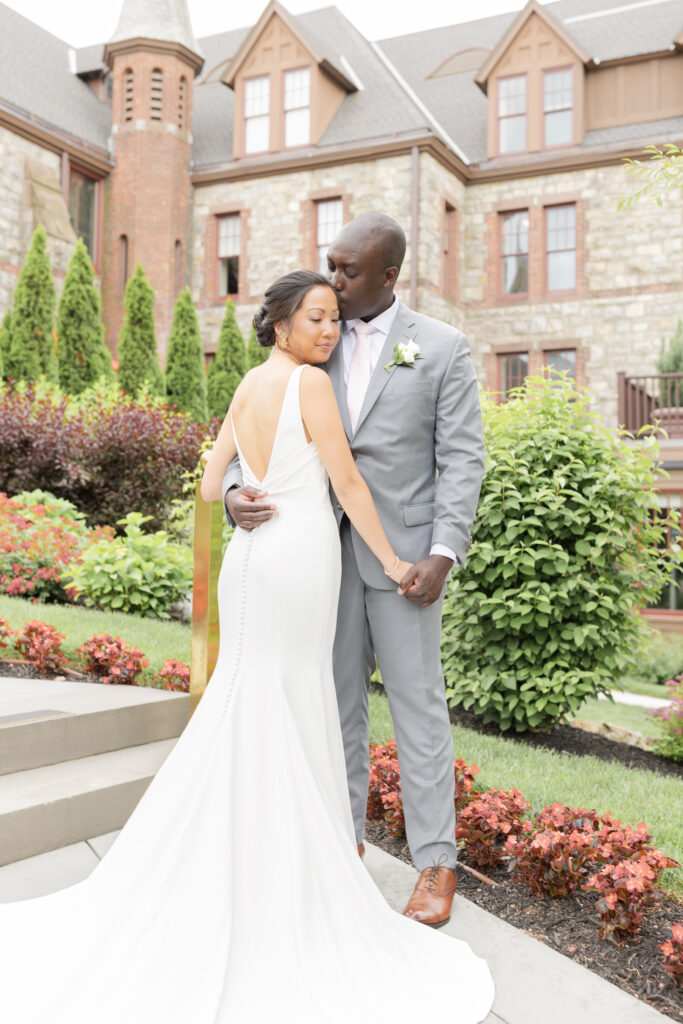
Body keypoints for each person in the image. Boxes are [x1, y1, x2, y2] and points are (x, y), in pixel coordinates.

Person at [0, 269, 493, 1023]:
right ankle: (289, 865)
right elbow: (350, 486)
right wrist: (396, 561)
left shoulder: (242, 385)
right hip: (297, 560)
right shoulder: (310, 387)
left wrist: (242, 495)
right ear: (281, 325)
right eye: (316, 319)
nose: (328, 331)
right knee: (291, 702)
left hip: (251, 562)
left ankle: (245, 855)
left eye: (334, 319)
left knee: (252, 699)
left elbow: (208, 487)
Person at [224, 213, 485, 929]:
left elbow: (462, 460)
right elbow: (256, 434)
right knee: (331, 704)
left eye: (347, 271)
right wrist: (231, 496)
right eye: (329, 266)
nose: (332, 283)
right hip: (313, 560)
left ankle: (435, 862)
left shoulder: (441, 347)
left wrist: (443, 551)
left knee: (417, 709)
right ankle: (342, 845)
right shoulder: (314, 341)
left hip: (403, 565)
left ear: (389, 276)